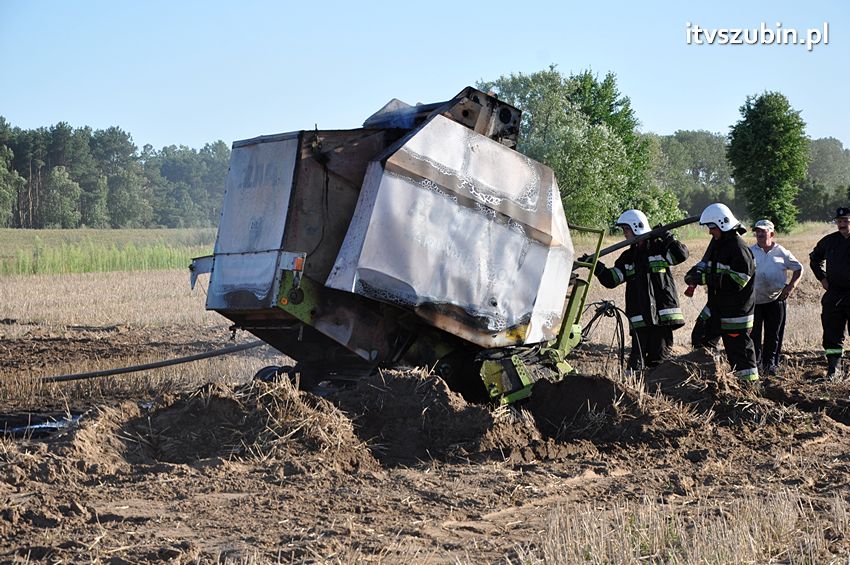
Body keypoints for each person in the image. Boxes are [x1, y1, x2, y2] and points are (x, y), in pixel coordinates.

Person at [593, 209, 689, 370]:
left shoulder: (660, 248)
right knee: (636, 363)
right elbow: (612, 280)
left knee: (659, 362)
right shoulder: (628, 257)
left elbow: (680, 255)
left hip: (662, 318)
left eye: (626, 229)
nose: (624, 234)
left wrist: (667, 237)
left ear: (637, 227)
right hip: (640, 319)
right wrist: (597, 267)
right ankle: (634, 389)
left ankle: (656, 390)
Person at [685, 203, 759, 385]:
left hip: (735, 313)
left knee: (739, 354)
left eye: (712, 228)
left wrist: (705, 278)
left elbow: (737, 283)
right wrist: (693, 274)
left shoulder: (739, 249)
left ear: (723, 224)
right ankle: (709, 380)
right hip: (717, 307)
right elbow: (704, 266)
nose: (710, 232)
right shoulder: (717, 245)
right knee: (700, 338)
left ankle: (750, 388)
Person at [749, 219, 803, 376]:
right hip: (755, 301)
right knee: (754, 335)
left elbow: (799, 268)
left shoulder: (782, 252)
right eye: (757, 231)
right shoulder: (750, 251)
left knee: (774, 334)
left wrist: (790, 287)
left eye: (763, 232)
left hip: (776, 300)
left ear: (771, 234)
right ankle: (756, 365)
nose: (759, 234)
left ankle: (770, 365)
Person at [809, 207, 850, 378]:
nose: (841, 224)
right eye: (839, 221)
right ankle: (834, 369)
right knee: (832, 334)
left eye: (845, 221)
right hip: (834, 295)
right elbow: (814, 259)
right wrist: (822, 278)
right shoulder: (829, 241)